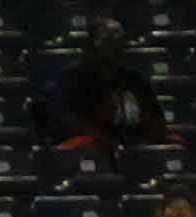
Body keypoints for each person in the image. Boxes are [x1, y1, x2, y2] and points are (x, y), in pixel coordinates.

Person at [48, 17, 178, 152]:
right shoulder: (72, 80)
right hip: (92, 151)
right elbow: (67, 119)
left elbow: (156, 122)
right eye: (107, 39)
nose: (114, 44)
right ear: (93, 43)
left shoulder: (137, 81)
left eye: (118, 39)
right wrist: (104, 140)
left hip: (136, 148)